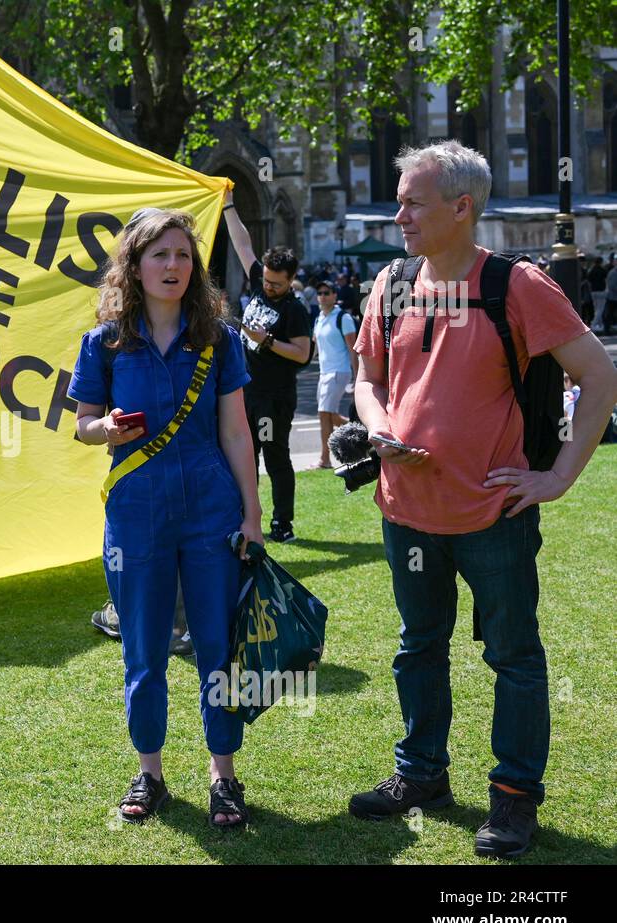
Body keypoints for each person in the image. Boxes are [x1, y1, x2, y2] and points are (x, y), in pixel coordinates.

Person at [348, 140, 617, 858]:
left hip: (494, 514)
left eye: (412, 201)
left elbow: (599, 375)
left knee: (513, 656)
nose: (398, 211)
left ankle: (514, 797)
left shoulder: (516, 285)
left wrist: (557, 477)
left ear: (461, 208)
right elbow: (369, 381)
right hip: (405, 509)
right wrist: (379, 427)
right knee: (417, 647)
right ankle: (422, 774)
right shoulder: (393, 282)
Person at [69, 206, 263, 827]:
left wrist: (252, 516)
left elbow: (236, 432)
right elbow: (82, 426)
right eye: (160, 255)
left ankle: (222, 775)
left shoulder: (219, 339)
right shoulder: (103, 343)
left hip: (212, 513)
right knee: (144, 649)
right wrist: (107, 428)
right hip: (137, 516)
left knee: (216, 648)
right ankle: (149, 772)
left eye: (183, 256)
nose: (173, 266)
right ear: (135, 264)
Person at [224, 200, 312, 542]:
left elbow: (302, 353)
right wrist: (229, 205)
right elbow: (242, 244)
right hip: (246, 391)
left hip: (274, 397)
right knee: (244, 458)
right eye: (266, 281)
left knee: (274, 458)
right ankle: (248, 519)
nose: (268, 287)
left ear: (290, 280)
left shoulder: (294, 310)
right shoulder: (261, 282)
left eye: (276, 283)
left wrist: (266, 341)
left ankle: (282, 523)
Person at [312, 281, 358, 468]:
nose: (322, 296)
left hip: (339, 372)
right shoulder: (318, 319)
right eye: (320, 292)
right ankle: (359, 431)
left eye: (326, 292)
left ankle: (325, 459)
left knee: (324, 414)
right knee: (329, 416)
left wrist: (358, 377)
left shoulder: (343, 318)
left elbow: (353, 350)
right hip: (324, 373)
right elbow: (315, 348)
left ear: (334, 296)